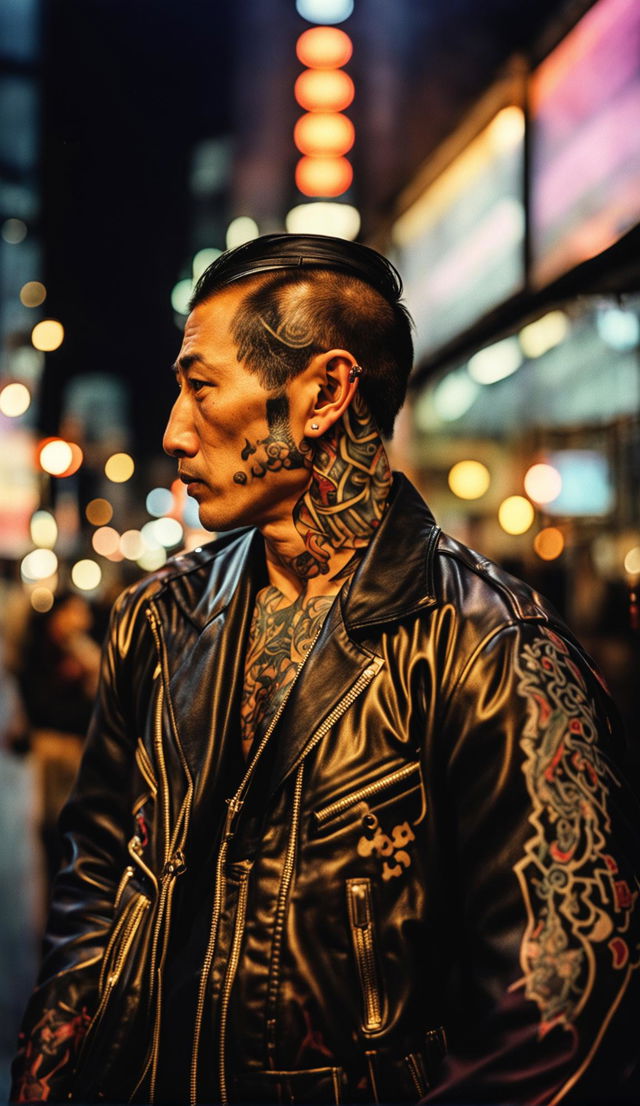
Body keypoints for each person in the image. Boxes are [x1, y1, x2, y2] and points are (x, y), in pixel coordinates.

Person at [11, 234, 640, 1105]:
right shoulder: (158, 619)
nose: (174, 431)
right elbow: (95, 881)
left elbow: (562, 1016)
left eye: (201, 387)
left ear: (323, 395)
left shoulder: (494, 651)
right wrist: (51, 1072)